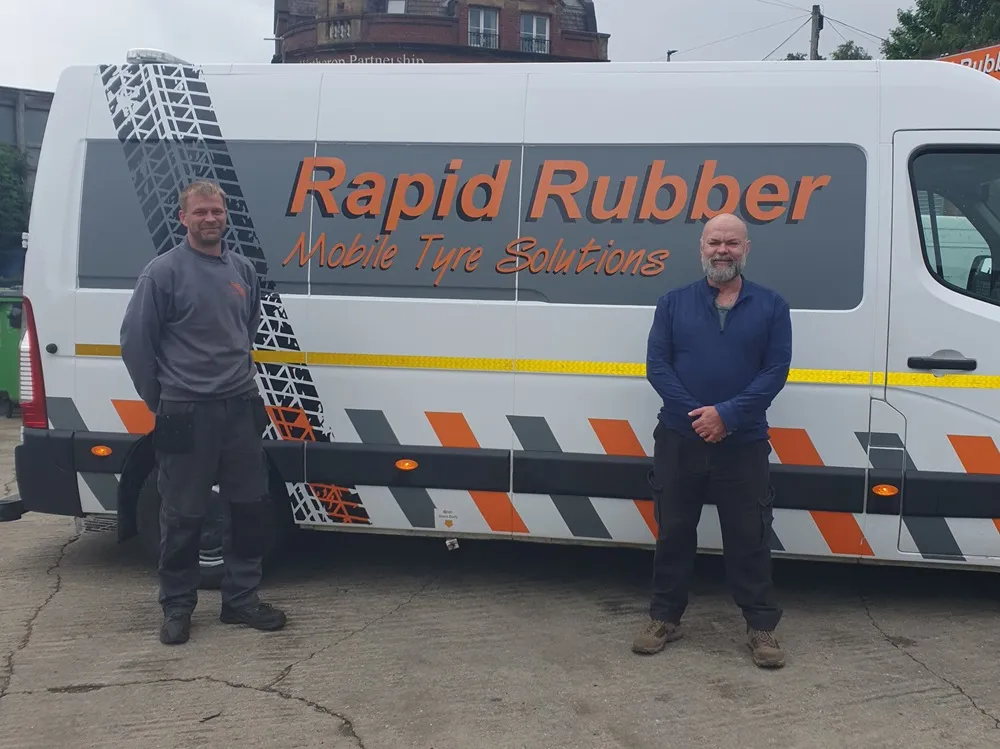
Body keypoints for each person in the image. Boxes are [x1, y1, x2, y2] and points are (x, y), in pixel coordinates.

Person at [120, 179, 288, 645]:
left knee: (250, 508)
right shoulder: (163, 273)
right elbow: (136, 343)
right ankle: (177, 606)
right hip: (185, 410)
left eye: (216, 211)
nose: (210, 219)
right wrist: (163, 399)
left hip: (239, 407)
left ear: (225, 213)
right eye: (200, 213)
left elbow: (246, 326)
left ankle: (241, 601)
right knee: (182, 515)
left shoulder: (242, 269)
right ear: (183, 218)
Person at [631, 212, 792, 669]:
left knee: (749, 536)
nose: (723, 250)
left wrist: (727, 415)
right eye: (714, 242)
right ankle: (665, 617)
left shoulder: (772, 306)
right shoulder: (673, 303)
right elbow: (657, 366)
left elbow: (775, 371)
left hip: (743, 444)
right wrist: (699, 417)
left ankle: (761, 626)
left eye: (732, 243)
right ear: (701, 247)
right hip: (681, 440)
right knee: (675, 531)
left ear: (746, 249)